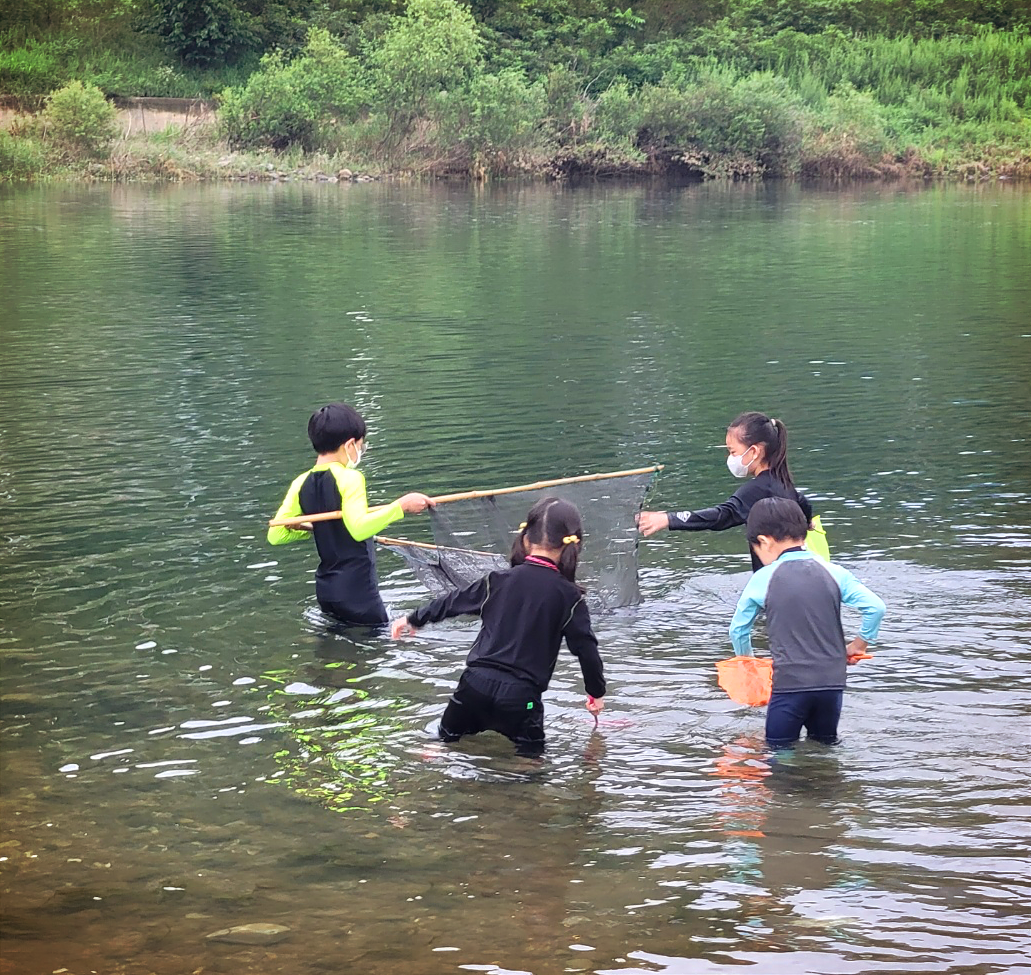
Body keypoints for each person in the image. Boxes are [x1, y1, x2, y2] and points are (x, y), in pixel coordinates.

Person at [391, 497, 605, 757]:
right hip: (521, 698)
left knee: (442, 745)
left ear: (525, 539)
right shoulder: (570, 597)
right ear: (573, 545)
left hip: (473, 686)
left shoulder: (497, 581)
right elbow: (586, 650)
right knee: (530, 764)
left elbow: (453, 602)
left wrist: (414, 618)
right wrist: (595, 693)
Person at [728, 497, 885, 749]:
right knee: (824, 746)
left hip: (789, 686)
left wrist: (750, 666)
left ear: (764, 541)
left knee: (779, 751)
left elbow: (738, 630)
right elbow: (876, 608)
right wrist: (858, 645)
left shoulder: (763, 578)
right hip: (832, 685)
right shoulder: (835, 571)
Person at [268, 403, 433, 626]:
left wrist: (314, 528)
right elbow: (359, 529)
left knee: (335, 643)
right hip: (358, 594)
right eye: (361, 446)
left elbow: (276, 534)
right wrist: (400, 507)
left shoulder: (301, 482)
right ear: (349, 445)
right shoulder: (350, 478)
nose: (361, 451)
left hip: (326, 591)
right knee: (383, 641)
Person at [638, 410, 826, 570]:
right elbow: (803, 503)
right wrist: (808, 521)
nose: (730, 458)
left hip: (774, 586)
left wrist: (668, 519)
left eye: (733, 451)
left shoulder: (756, 490)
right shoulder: (784, 484)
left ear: (754, 452)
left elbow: (721, 516)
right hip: (801, 575)